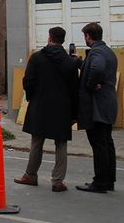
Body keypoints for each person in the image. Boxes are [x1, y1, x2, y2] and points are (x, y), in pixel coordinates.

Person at [14, 27, 79, 193]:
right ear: (63, 40)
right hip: (62, 108)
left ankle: (31, 175)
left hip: (40, 105)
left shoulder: (37, 58)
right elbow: (75, 89)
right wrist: (74, 113)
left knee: (37, 141)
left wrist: (32, 98)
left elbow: (27, 81)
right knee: (61, 144)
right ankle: (58, 181)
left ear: (49, 38)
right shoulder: (70, 62)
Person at [76, 22, 118, 194]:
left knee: (99, 144)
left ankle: (99, 182)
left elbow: (97, 68)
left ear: (88, 36)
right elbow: (97, 67)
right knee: (107, 143)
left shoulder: (96, 52)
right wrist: (80, 63)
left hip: (97, 106)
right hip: (108, 103)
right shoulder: (107, 51)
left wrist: (90, 85)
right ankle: (109, 180)